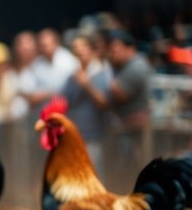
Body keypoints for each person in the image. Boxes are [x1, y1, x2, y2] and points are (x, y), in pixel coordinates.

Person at [60, 34, 112, 172]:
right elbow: (64, 102)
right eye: (76, 49)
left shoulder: (102, 74)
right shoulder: (72, 76)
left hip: (95, 136)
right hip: (75, 136)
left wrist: (87, 85)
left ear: (92, 50)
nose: (80, 51)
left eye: (83, 47)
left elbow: (104, 103)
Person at [106, 30, 153, 180]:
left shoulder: (136, 66)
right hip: (128, 129)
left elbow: (119, 95)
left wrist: (108, 74)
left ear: (130, 48)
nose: (113, 52)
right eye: (111, 48)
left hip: (136, 130)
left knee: (134, 172)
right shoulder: (123, 67)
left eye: (117, 48)